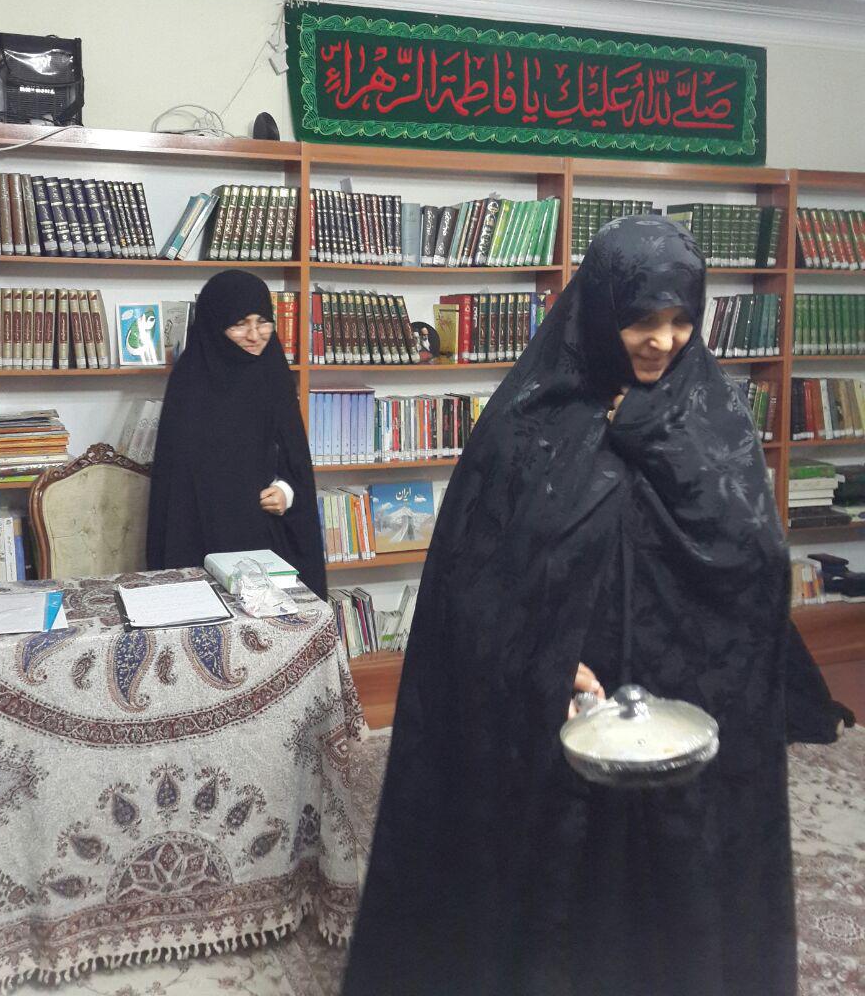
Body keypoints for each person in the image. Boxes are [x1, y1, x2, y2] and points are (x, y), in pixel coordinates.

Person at [343, 214, 811, 996]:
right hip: (560, 705)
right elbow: (478, 584)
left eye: (681, 319)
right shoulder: (531, 420)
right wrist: (548, 658)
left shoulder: (709, 414)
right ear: (599, 311)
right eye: (641, 319)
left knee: (669, 900)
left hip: (682, 705)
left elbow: (754, 564)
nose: (663, 340)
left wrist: (654, 438)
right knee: (557, 901)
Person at [146, 269, 326, 599]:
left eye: (263, 322)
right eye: (240, 324)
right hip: (201, 537)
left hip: (266, 536)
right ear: (215, 324)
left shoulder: (273, 372)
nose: (255, 335)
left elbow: (295, 459)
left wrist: (286, 491)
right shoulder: (189, 380)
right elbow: (175, 482)